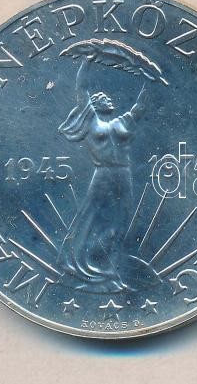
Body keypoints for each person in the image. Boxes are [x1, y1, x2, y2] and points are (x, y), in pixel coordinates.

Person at [56, 60, 150, 293]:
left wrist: (149, 78)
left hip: (123, 175)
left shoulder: (121, 122)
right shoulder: (91, 122)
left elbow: (140, 106)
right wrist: (88, 59)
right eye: (104, 98)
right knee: (91, 220)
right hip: (103, 174)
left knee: (120, 223)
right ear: (95, 105)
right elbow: (81, 88)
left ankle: (109, 272)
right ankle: (80, 267)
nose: (109, 100)